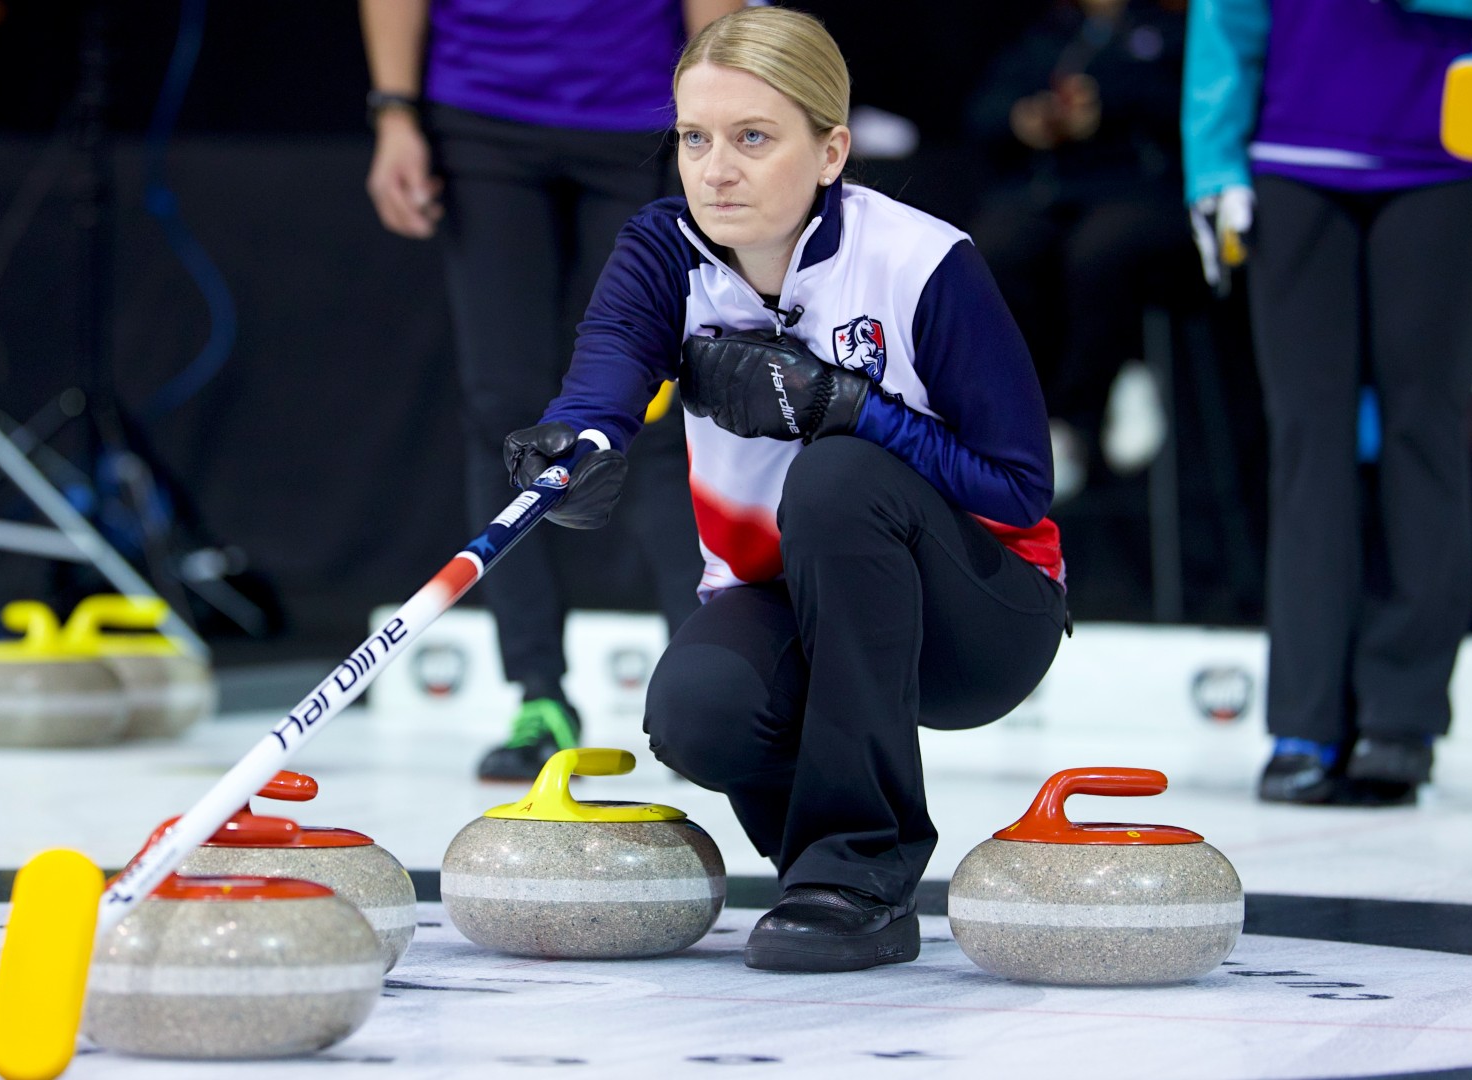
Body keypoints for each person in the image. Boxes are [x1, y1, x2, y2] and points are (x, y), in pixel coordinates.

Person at [506, 7, 1068, 972]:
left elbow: (1019, 491)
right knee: (697, 713)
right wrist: (573, 451)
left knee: (841, 476)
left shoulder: (925, 262)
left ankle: (862, 864)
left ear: (831, 150)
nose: (715, 169)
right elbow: (601, 385)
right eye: (695, 138)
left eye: (752, 138)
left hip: (978, 616)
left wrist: (851, 409)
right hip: (784, 599)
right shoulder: (661, 251)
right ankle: (830, 880)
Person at [1183, 0, 1472, 804]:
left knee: (1423, 433)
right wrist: (1214, 163)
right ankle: (1304, 718)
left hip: (1451, 160)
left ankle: (1403, 716)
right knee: (1305, 439)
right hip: (1294, 156)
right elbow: (1227, 15)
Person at [360, 0, 742, 781]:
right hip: (480, 114)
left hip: (644, 116)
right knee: (503, 411)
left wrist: (716, 129)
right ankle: (538, 696)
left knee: (666, 405)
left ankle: (703, 696)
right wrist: (394, 112)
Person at [965, 0, 1191, 499]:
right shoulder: (1050, 31)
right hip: (1051, 191)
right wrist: (1024, 118)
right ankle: (1026, 415)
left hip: (1138, 190)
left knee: (1101, 252)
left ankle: (1089, 401)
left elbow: (1192, 103)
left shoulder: (1166, 28)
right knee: (995, 249)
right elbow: (981, 110)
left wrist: (1107, 102)